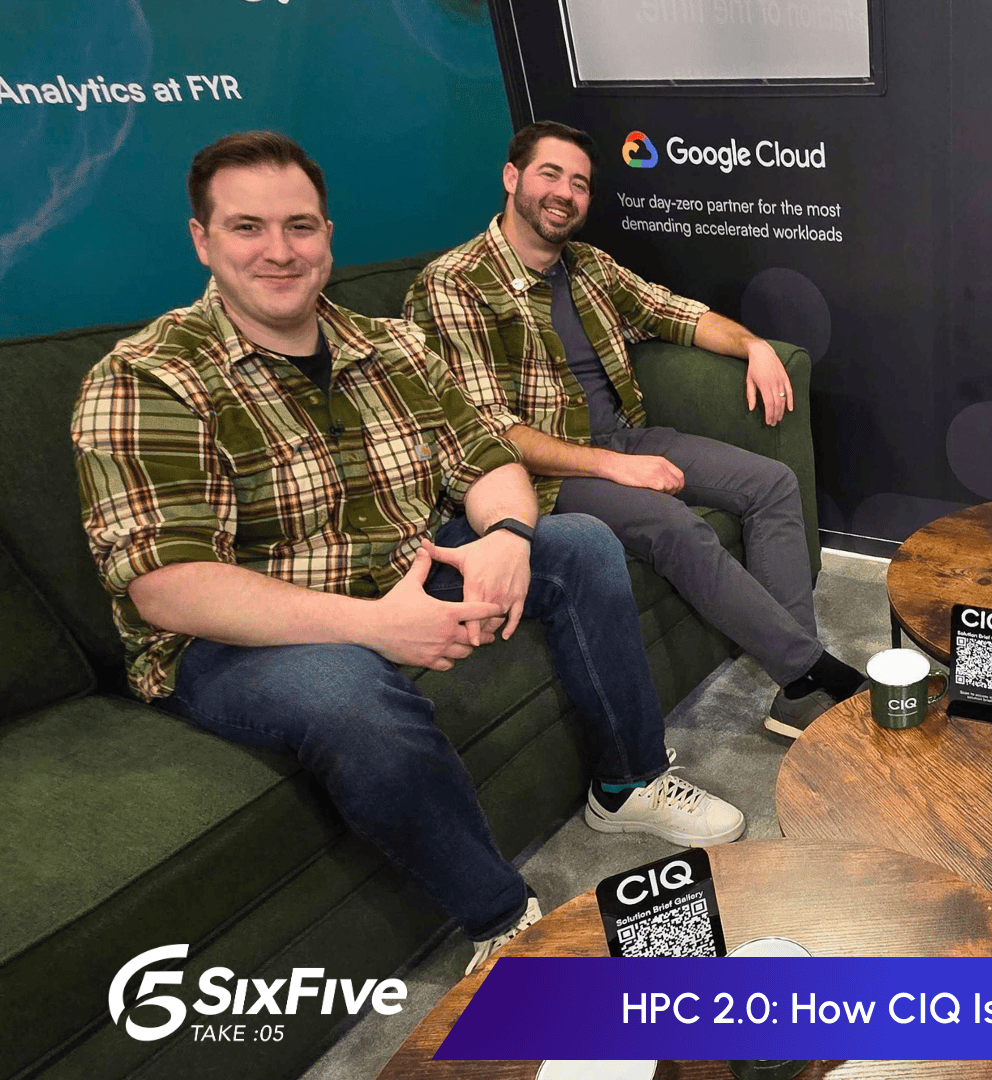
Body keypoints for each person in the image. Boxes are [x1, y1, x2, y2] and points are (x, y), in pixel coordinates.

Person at [72, 131, 744, 976]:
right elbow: (167, 588)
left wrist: (507, 537)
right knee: (348, 694)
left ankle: (628, 784)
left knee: (577, 541)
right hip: (241, 633)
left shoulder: (390, 345)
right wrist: (375, 626)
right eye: (247, 227)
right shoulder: (144, 379)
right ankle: (502, 919)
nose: (279, 251)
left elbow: (485, 457)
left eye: (300, 226)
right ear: (202, 240)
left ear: (327, 234)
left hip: (405, 560)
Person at [405, 121, 864, 740]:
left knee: (773, 482)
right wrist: (615, 467)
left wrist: (755, 346)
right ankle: (814, 672)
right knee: (673, 524)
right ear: (512, 177)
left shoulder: (589, 266)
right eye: (549, 174)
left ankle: (797, 685)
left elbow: (677, 314)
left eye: (579, 183)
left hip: (625, 436)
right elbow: (489, 431)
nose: (565, 193)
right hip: (540, 474)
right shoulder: (454, 283)